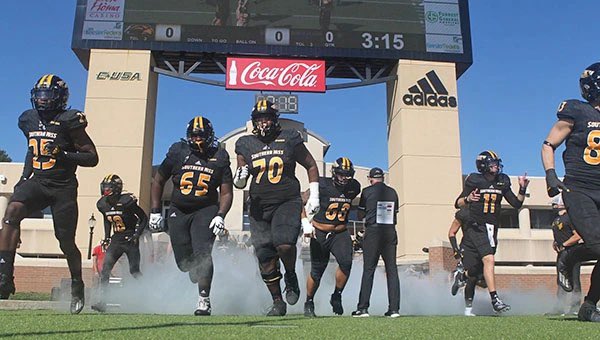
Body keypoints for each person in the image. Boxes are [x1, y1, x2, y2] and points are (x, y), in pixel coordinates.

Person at [0, 75, 98, 314]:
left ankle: (77, 284)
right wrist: (24, 177)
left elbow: (92, 157)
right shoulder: (29, 118)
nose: (42, 101)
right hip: (39, 181)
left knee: (66, 242)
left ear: (60, 98)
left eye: (48, 96)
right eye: (40, 96)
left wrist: (64, 155)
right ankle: (4, 276)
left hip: (63, 187)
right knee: (12, 211)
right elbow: (31, 151)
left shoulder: (69, 121)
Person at [234, 99, 320, 316]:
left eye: (268, 118)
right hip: (258, 207)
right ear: (254, 121)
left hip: (286, 200)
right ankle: (277, 301)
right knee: (264, 256)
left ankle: (290, 274)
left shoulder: (290, 138)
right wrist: (240, 178)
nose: (264, 123)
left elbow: (310, 164)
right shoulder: (245, 143)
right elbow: (240, 179)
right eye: (260, 118)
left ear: (275, 120)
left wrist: (315, 193)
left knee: (284, 244)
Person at [149, 116, 233, 316]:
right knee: (184, 263)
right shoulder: (178, 151)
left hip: (206, 209)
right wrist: (154, 211)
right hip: (179, 209)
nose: (197, 140)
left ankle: (204, 300)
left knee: (203, 253)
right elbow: (159, 180)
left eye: (201, 136)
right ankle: (195, 271)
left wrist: (221, 215)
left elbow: (227, 192)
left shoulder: (219, 157)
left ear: (210, 136)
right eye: (194, 136)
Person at [542, 62, 600, 322]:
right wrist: (551, 174)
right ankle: (571, 255)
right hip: (579, 189)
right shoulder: (577, 110)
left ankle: (588, 305)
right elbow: (548, 144)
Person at [454, 150, 528, 314]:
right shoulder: (474, 179)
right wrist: (468, 199)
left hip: (492, 228)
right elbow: (457, 203)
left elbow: (516, 204)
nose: (496, 167)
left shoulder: (502, 180)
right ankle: (495, 299)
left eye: (496, 163)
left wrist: (522, 189)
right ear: (483, 165)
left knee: (476, 272)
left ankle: (463, 276)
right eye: (492, 163)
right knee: (489, 259)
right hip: (476, 226)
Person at [302, 157, 361, 317]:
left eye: (348, 175)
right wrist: (305, 222)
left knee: (346, 263)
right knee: (317, 271)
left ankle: (337, 295)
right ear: (334, 172)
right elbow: (301, 200)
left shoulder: (354, 187)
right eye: (341, 174)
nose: (345, 178)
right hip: (320, 232)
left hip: (340, 232)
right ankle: (309, 301)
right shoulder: (322, 184)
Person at [92, 174, 148, 312]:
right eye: (104, 187)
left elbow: (143, 218)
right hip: (116, 239)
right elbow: (107, 219)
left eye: (108, 187)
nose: (105, 190)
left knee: (134, 271)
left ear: (116, 188)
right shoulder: (102, 204)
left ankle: (147, 294)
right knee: (105, 270)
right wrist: (106, 237)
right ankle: (102, 302)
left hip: (130, 239)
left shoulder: (127, 201)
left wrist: (136, 235)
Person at [352, 167, 400, 318]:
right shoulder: (393, 192)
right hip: (390, 231)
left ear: (370, 179)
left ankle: (363, 308)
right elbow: (395, 213)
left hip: (373, 232)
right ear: (383, 178)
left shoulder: (367, 192)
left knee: (369, 270)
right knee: (392, 270)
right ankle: (394, 309)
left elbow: (360, 214)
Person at [448, 207, 488, 316]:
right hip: (468, 247)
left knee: (483, 282)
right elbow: (452, 232)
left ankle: (461, 276)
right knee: (473, 277)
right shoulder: (464, 213)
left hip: (483, 248)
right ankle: (468, 308)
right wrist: (455, 250)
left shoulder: (488, 211)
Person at [550, 194, 582, 315]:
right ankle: (559, 307)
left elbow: (577, 235)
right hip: (561, 254)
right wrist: (556, 243)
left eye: (556, 204)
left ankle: (575, 308)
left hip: (572, 253)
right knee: (561, 280)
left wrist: (564, 244)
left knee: (574, 280)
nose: (554, 206)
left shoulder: (570, 217)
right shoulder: (556, 220)